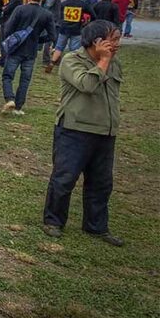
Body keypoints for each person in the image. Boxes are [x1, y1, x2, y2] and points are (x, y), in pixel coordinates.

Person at [42, 20, 123, 246]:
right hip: (74, 129)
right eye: (112, 39)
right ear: (96, 41)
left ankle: (96, 226)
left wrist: (107, 60)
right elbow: (87, 85)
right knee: (64, 178)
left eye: (118, 39)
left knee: (101, 182)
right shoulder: (72, 60)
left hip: (105, 131)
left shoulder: (114, 63)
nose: (116, 44)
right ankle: (53, 221)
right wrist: (103, 61)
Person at [1, 0, 56, 115]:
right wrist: (38, 40)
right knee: (25, 79)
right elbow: (52, 35)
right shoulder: (47, 14)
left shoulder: (20, 9)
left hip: (16, 48)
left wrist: (11, 39)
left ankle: (9, 98)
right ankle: (19, 107)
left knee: (8, 75)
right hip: (31, 50)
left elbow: (8, 28)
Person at [47, 0, 93, 73]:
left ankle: (51, 63)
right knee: (74, 49)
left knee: (59, 48)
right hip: (76, 29)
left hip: (64, 28)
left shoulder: (64, 3)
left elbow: (60, 15)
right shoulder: (83, 4)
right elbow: (93, 14)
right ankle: (71, 66)